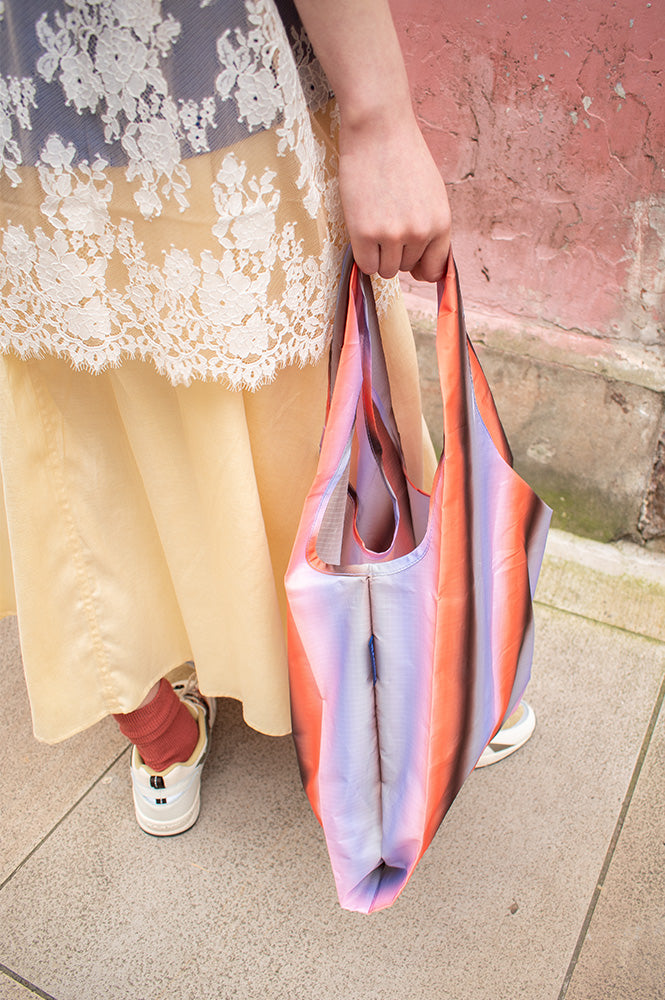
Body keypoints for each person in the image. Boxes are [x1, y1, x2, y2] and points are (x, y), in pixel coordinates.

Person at [0, 0, 531, 838]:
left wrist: (380, 118)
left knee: (100, 415)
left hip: (63, 112)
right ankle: (399, 677)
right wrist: (379, 114)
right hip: (177, 93)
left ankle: (170, 727)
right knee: (280, 391)